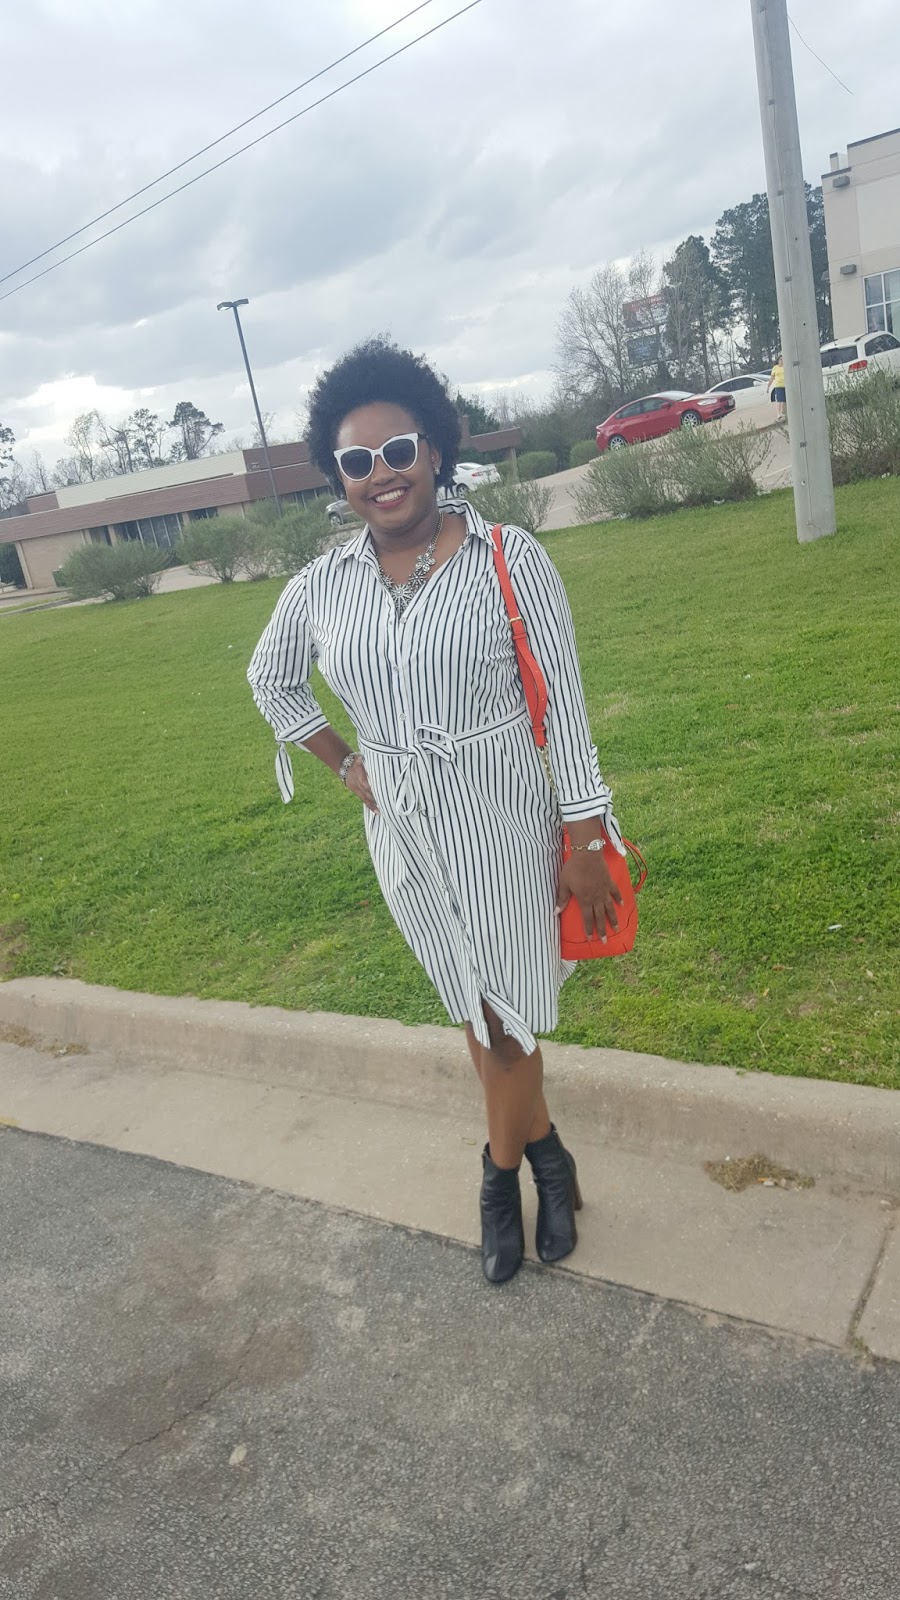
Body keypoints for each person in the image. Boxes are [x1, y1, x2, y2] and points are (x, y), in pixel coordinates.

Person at [247, 338, 626, 1286]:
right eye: (357, 460)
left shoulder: (508, 557)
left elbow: (566, 705)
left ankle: (500, 1178)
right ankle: (549, 1157)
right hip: (406, 834)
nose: (382, 474)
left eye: (398, 450)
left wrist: (585, 836)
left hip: (502, 818)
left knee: (503, 1016)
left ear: (435, 450)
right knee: (473, 995)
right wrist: (344, 763)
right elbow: (270, 678)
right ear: (338, 476)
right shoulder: (323, 585)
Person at [768, 353, 787, 422]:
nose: (782, 361)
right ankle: (778, 414)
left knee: (784, 401)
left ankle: (784, 412)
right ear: (778, 360)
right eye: (780, 359)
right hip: (779, 386)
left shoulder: (786, 366)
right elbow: (772, 378)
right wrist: (768, 386)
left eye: (783, 359)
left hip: (786, 386)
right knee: (779, 400)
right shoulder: (775, 368)